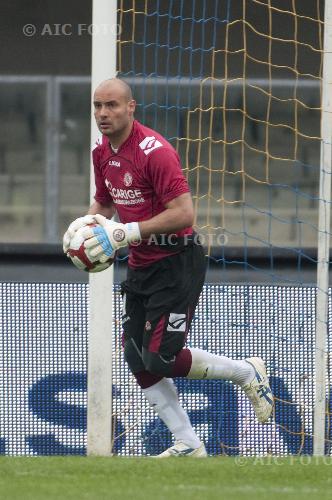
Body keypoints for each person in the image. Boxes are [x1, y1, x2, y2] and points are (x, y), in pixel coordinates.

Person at [63, 78, 273, 458]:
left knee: (162, 358)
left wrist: (124, 233)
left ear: (131, 108)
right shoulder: (100, 151)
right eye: (97, 106)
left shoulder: (154, 151)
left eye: (111, 105)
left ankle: (246, 372)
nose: (102, 114)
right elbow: (105, 204)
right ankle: (189, 444)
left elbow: (184, 214)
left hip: (178, 262)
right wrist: (85, 230)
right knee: (134, 355)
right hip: (142, 265)